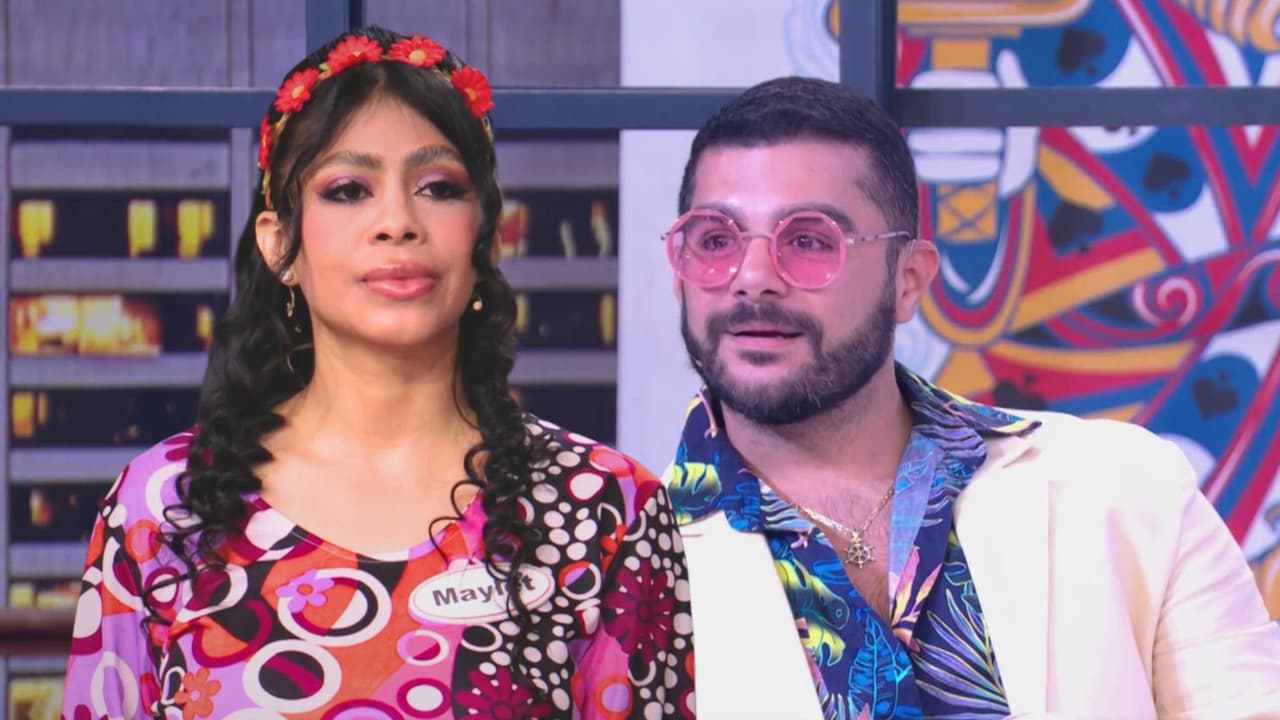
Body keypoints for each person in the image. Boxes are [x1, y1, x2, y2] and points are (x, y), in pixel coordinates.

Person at [61, 26, 695, 720]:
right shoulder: (163, 509)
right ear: (280, 244)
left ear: (485, 237)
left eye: (438, 187)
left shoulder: (605, 509)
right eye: (348, 190)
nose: (397, 221)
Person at [661, 76, 1280, 719]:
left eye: (809, 241)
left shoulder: (1128, 489)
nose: (753, 278)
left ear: (908, 280)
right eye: (715, 240)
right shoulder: (630, 566)